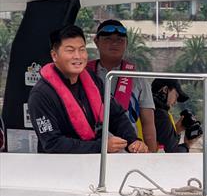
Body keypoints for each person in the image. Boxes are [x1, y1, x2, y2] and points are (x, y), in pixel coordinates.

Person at [28, 25, 146, 154]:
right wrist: (100, 147)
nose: (78, 56)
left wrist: (133, 140)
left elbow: (115, 115)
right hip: (59, 168)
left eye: (82, 50)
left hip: (93, 163)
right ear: (54, 55)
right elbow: (52, 143)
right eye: (70, 50)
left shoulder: (93, 80)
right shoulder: (41, 95)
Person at [89, 20, 157, 152]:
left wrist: (152, 158)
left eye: (120, 40)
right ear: (96, 41)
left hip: (128, 150)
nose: (114, 43)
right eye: (108, 39)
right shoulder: (83, 74)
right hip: (91, 149)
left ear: (126, 43)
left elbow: (148, 123)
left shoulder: (138, 78)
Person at [151, 78, 197, 153]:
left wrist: (176, 131)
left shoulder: (146, 110)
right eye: (176, 96)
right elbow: (172, 154)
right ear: (165, 89)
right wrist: (187, 145)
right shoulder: (161, 115)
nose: (175, 102)